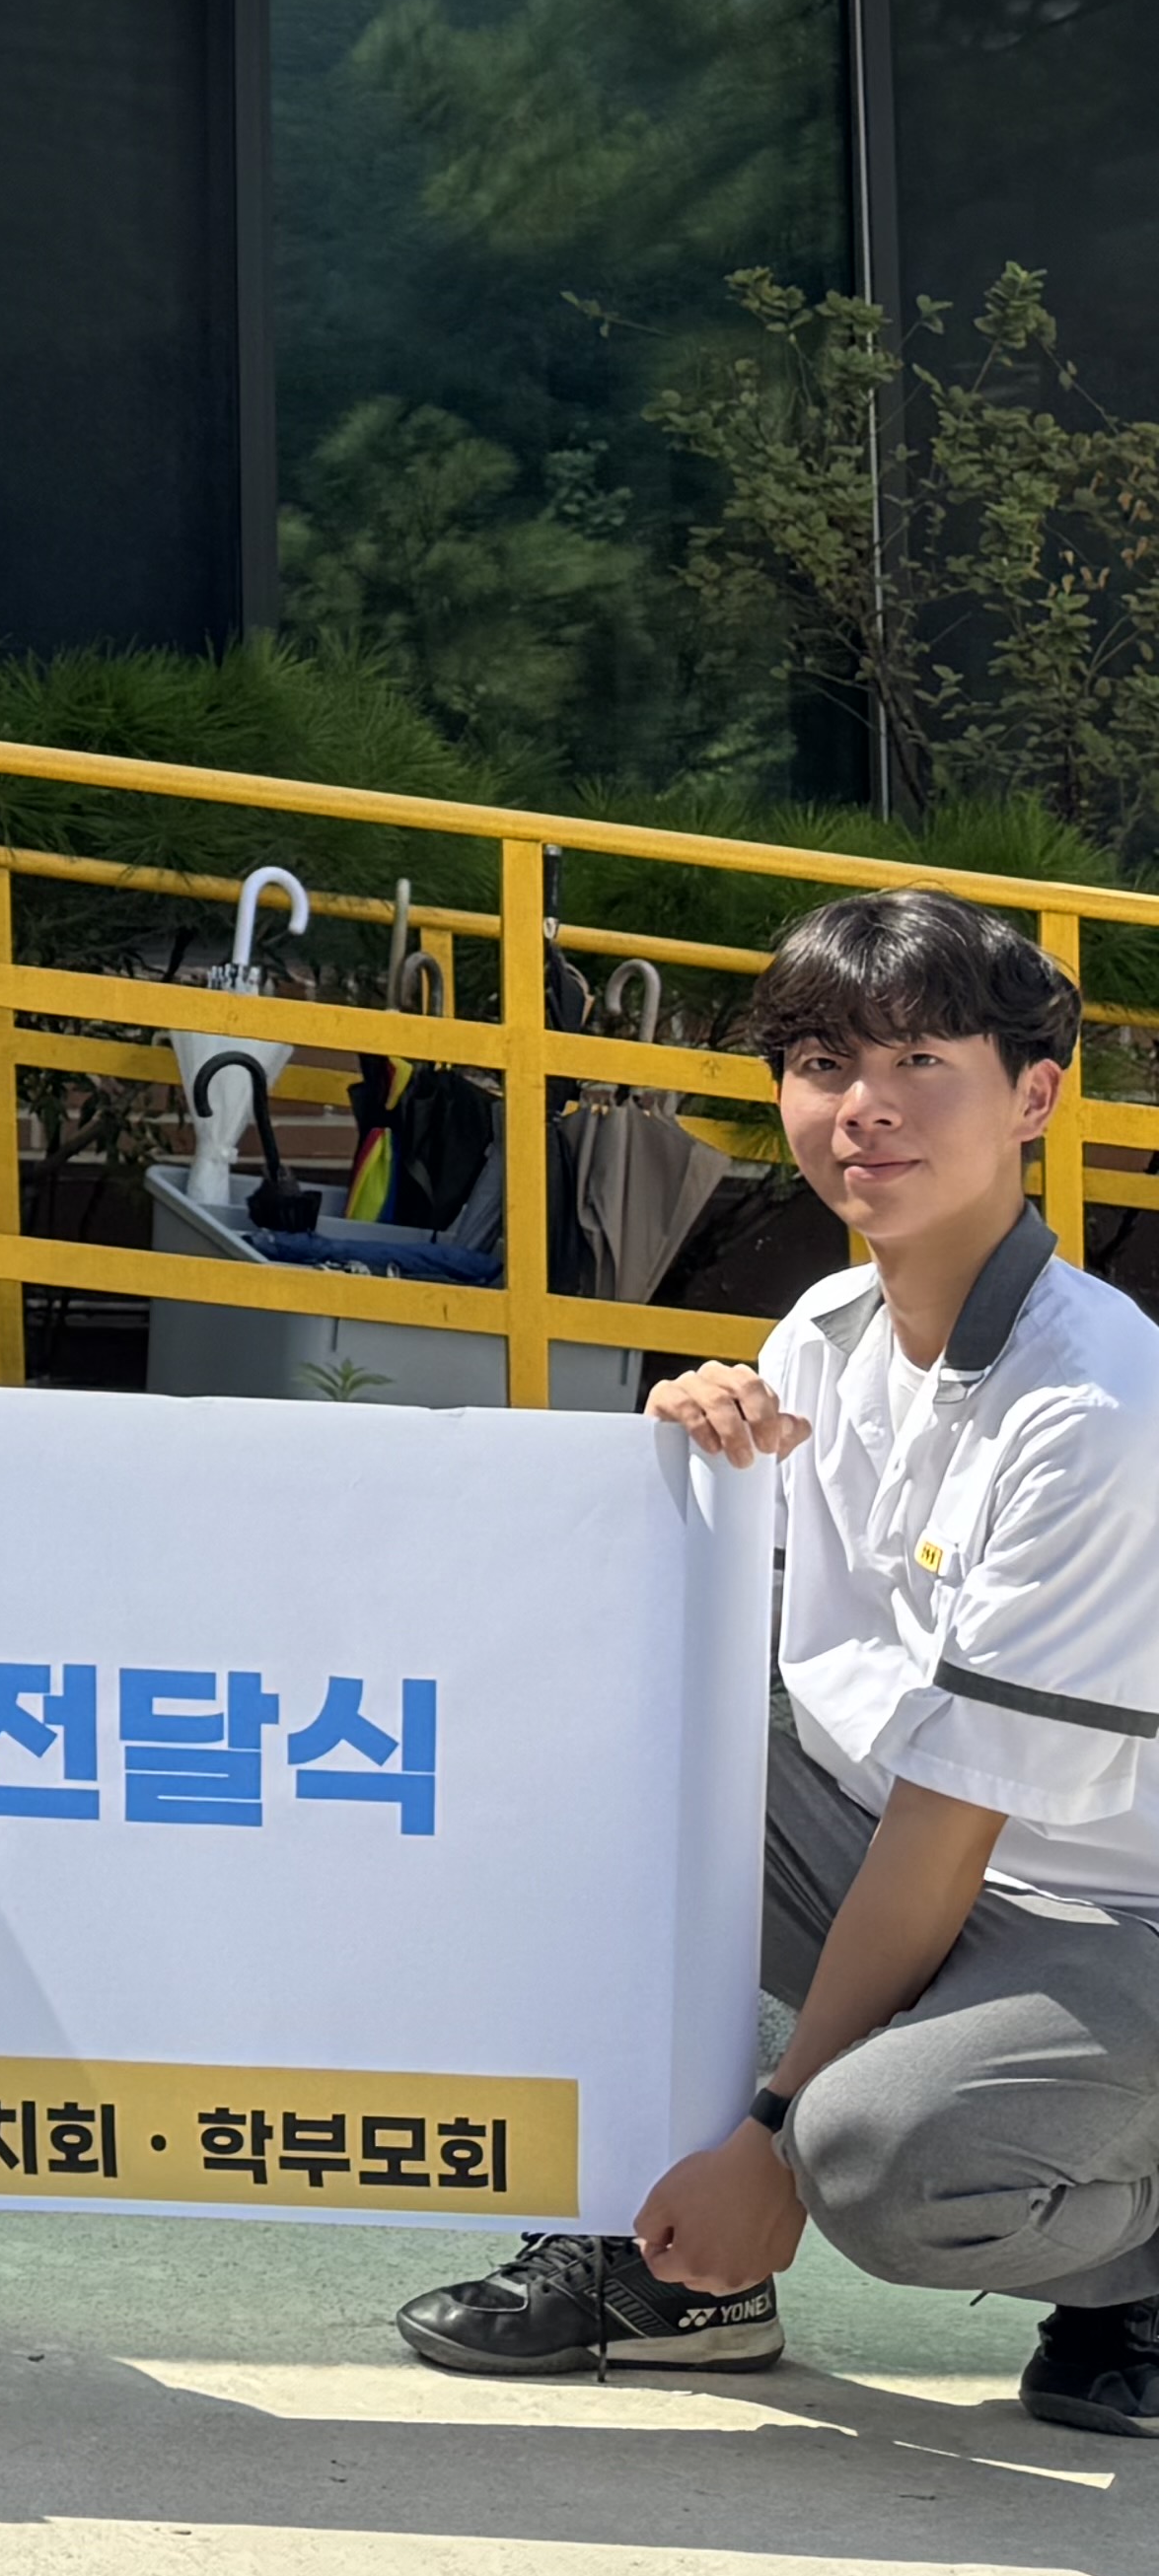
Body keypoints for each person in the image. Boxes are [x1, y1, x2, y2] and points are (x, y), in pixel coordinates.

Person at [396, 893, 1158, 2433]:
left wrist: (771, 2133)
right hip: (907, 1849)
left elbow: (951, 1824)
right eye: (822, 1063)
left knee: (875, 2158)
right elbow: (724, 1680)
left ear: (1033, 1096)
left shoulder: (1093, 1410)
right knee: (591, 1741)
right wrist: (685, 1472)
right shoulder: (825, 1332)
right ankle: (667, 2263)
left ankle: (1133, 2262)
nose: (864, 1105)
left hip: (1112, 1910)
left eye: (921, 1060)